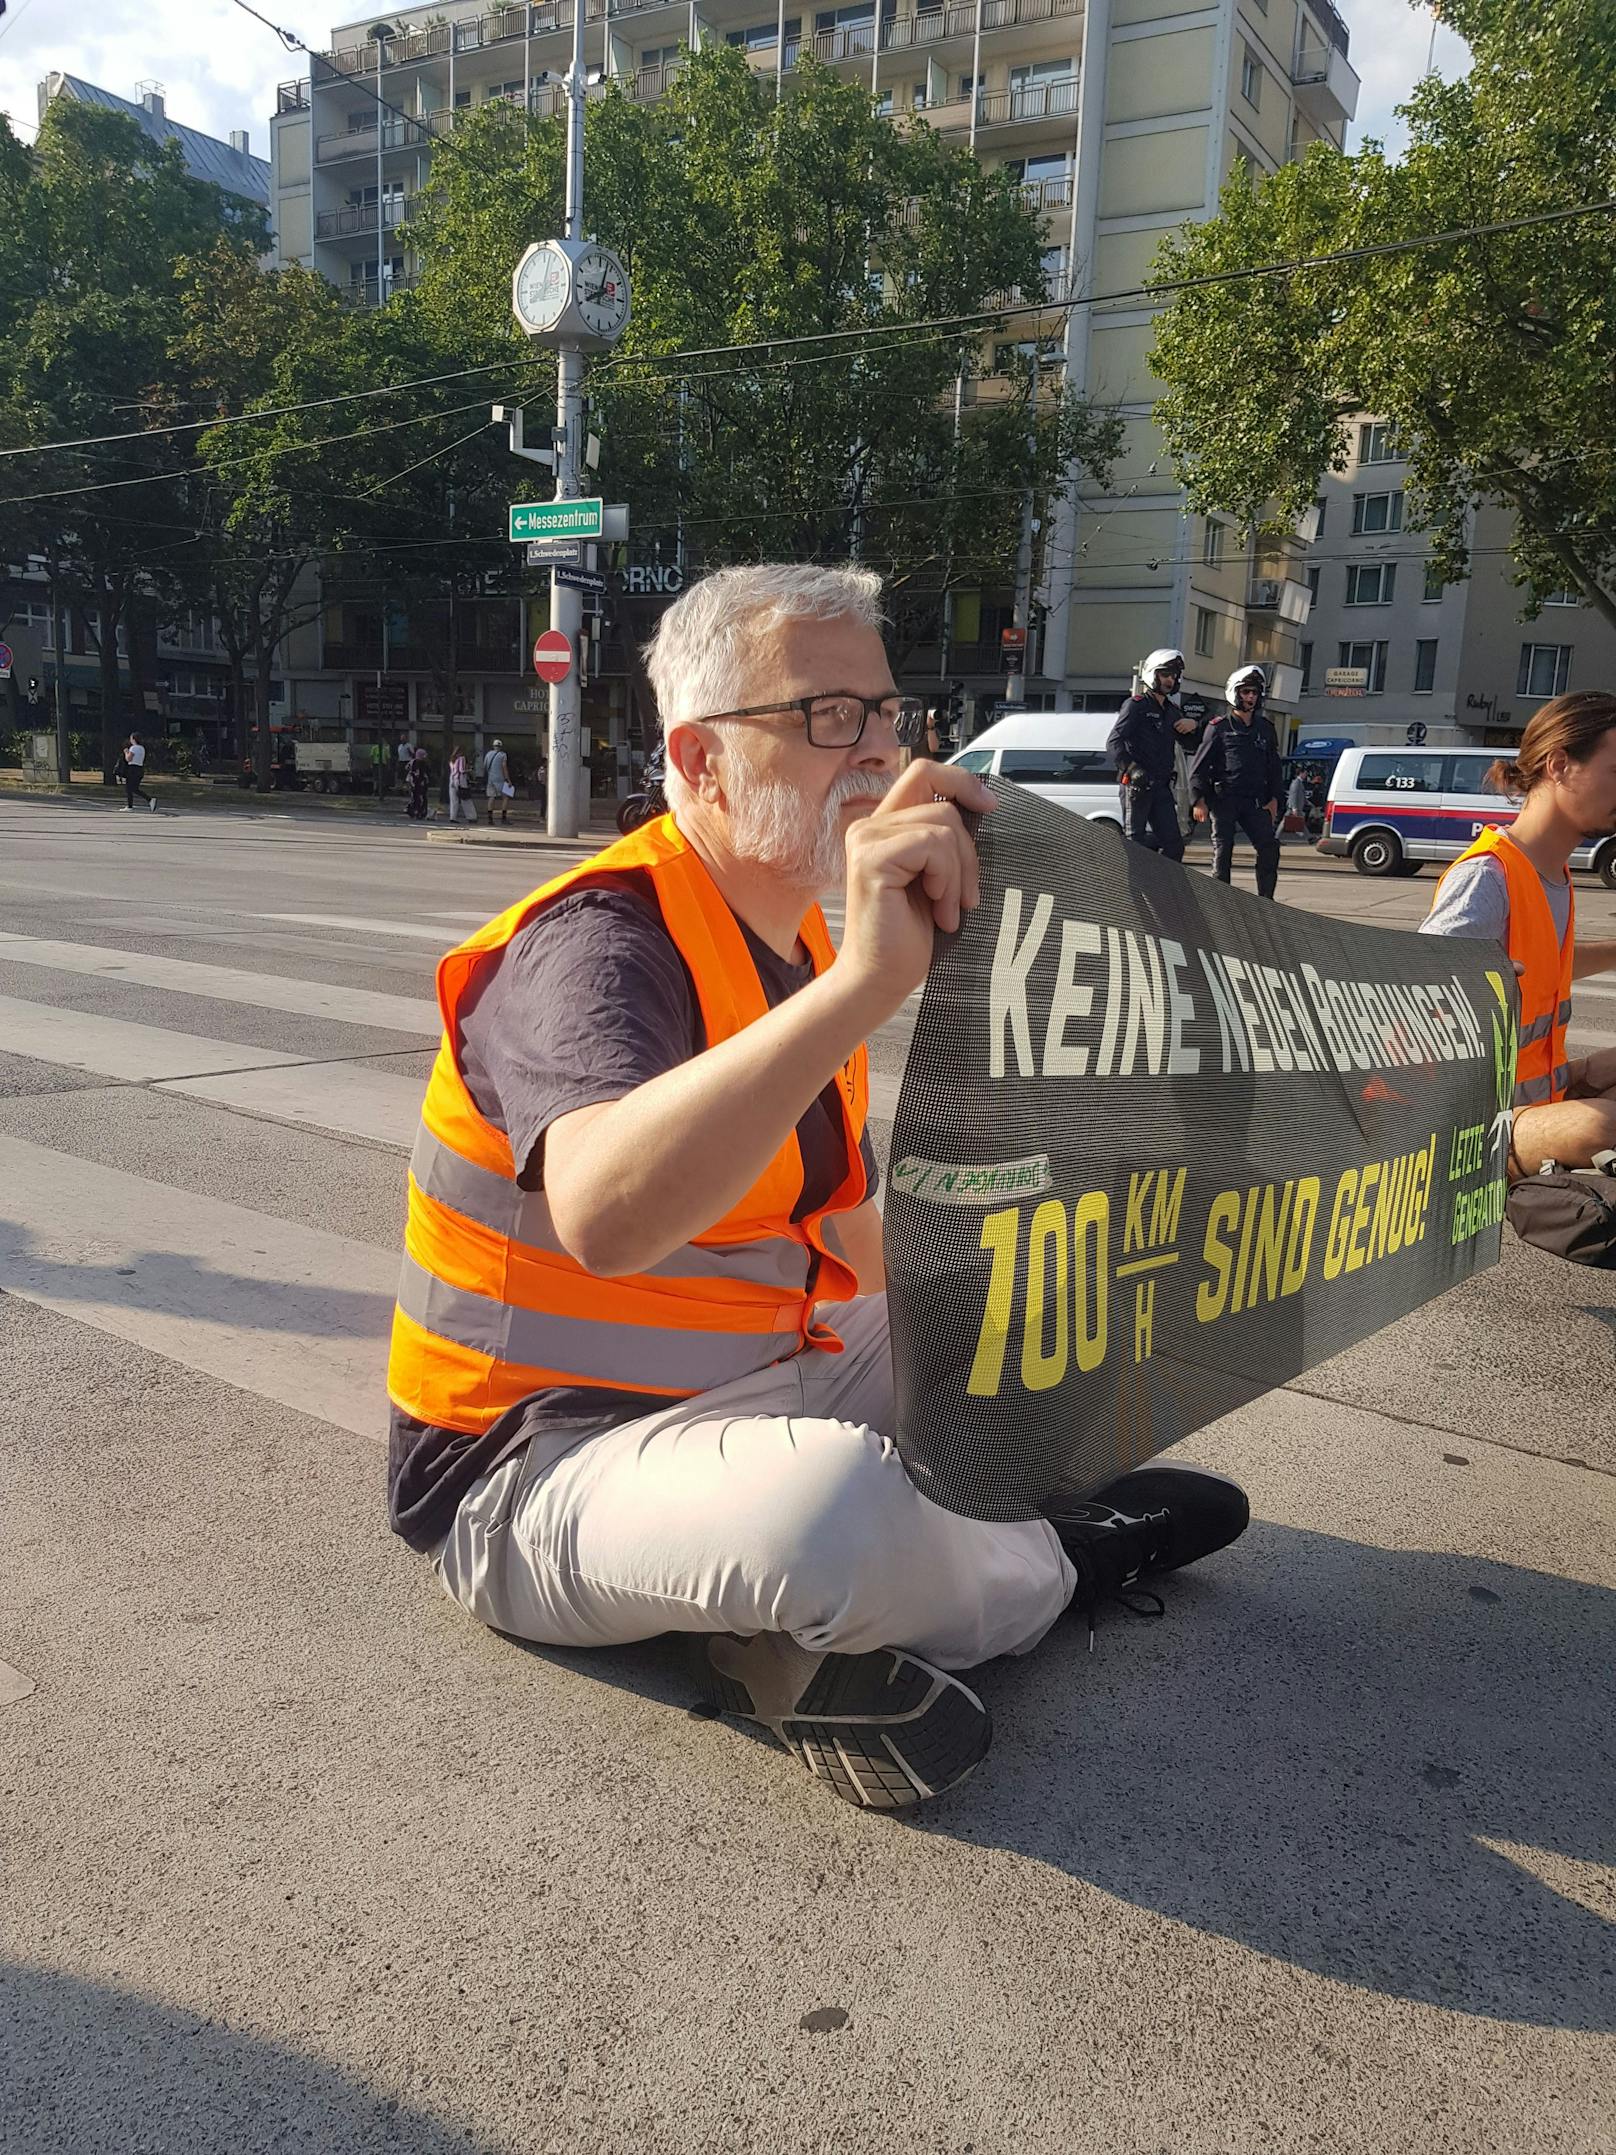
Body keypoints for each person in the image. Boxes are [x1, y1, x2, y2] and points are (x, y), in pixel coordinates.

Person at [386, 564, 1248, 1814]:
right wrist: (865, 988)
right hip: (532, 1467)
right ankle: (1058, 1559)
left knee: (1054, 1309)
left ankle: (802, 1626)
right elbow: (607, 1215)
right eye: (825, 716)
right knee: (829, 1509)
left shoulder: (799, 940)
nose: (876, 752)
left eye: (886, 714)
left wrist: (1013, 1356)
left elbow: (845, 1231)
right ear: (699, 759)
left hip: (753, 1374)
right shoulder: (595, 942)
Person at [1420, 690, 1616, 1175]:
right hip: (1474, 1120)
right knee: (1606, 1126)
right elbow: (1417, 1002)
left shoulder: (1553, 873)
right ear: (1559, 765)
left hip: (1531, 1096)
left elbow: (1549, 968)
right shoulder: (1488, 876)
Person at [1191, 665, 1284, 899]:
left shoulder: (1265, 729)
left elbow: (1274, 767)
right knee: (1223, 850)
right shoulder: (1218, 728)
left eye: (1254, 692)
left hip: (1255, 801)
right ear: (1235, 693)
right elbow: (1200, 767)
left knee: (1269, 847)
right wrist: (1198, 800)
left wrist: (1275, 799)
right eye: (1245, 692)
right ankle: (1222, 900)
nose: (1250, 697)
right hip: (1224, 800)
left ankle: (1266, 901)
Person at [1109, 648, 1197, 860]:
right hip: (1137, 786)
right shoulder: (1136, 706)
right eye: (1165, 674)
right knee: (1135, 844)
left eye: (1174, 676)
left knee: (1174, 845)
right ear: (1153, 674)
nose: (1169, 680)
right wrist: (1132, 769)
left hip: (1162, 787)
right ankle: (1135, 892)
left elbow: (1191, 744)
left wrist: (1194, 725)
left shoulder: (1172, 711)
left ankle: (1162, 889)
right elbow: (1114, 743)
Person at [121, 732, 155, 813]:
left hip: (132, 769)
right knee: (134, 788)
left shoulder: (133, 748)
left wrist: (126, 752)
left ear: (133, 739)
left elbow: (129, 759)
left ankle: (130, 806)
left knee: (129, 788)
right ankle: (149, 799)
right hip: (140, 768)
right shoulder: (142, 748)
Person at [483, 738, 512, 825]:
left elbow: (485, 766)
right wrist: (508, 779)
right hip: (501, 779)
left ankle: (490, 819)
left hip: (491, 779)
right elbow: (504, 767)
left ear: (493, 746)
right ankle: (503, 818)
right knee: (506, 797)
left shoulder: (488, 754)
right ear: (500, 746)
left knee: (491, 797)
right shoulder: (503, 755)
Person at [448, 746, 476, 824]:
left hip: (452, 780)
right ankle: (471, 816)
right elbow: (461, 770)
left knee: (454, 800)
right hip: (460, 780)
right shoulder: (461, 758)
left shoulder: (452, 760)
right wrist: (470, 770)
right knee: (466, 799)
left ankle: (452, 817)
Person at [405, 745, 432, 822]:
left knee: (415, 797)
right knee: (420, 798)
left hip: (413, 782)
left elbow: (407, 768)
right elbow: (423, 773)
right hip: (419, 783)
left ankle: (413, 810)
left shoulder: (413, 761)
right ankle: (419, 812)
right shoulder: (421, 763)